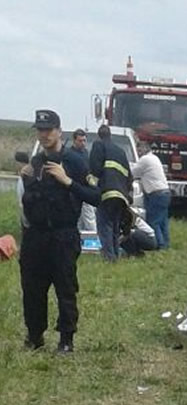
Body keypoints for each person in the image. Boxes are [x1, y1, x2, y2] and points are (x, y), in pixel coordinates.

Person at [18, 109, 101, 353]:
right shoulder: (36, 163)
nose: (43, 135)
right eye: (40, 130)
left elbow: (96, 196)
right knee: (32, 288)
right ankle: (35, 336)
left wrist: (68, 182)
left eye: (48, 130)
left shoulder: (74, 161)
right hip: (36, 236)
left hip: (63, 236)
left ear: (59, 132)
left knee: (65, 288)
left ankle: (66, 339)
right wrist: (25, 179)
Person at [90, 125, 133, 261]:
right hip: (122, 195)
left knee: (105, 224)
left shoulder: (98, 145)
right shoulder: (120, 151)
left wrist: (91, 186)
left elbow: (95, 169)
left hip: (107, 192)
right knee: (115, 226)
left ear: (99, 135)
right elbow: (129, 176)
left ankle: (109, 257)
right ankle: (115, 254)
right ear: (110, 135)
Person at [132, 140, 171, 248]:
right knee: (163, 221)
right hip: (165, 192)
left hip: (156, 194)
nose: (138, 153)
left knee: (153, 221)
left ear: (145, 149)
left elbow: (133, 172)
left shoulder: (145, 160)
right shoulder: (154, 158)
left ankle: (158, 244)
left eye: (139, 150)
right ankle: (166, 243)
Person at [66, 128, 97, 232]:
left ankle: (93, 239)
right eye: (80, 141)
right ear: (74, 140)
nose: (83, 143)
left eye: (84, 140)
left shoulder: (86, 153)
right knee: (76, 218)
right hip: (74, 190)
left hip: (86, 189)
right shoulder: (69, 154)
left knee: (90, 217)